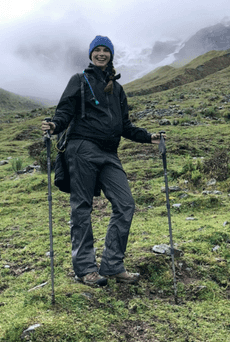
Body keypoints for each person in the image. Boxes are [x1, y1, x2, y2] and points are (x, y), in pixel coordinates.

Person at [41, 36, 160, 288]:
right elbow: (65, 111)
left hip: (109, 153)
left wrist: (148, 137)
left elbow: (124, 126)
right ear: (91, 54)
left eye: (106, 50)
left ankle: (113, 265)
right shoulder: (79, 80)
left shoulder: (117, 89)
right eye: (97, 50)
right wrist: (53, 125)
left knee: (126, 203)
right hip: (81, 147)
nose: (102, 54)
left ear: (112, 55)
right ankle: (85, 268)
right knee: (82, 207)